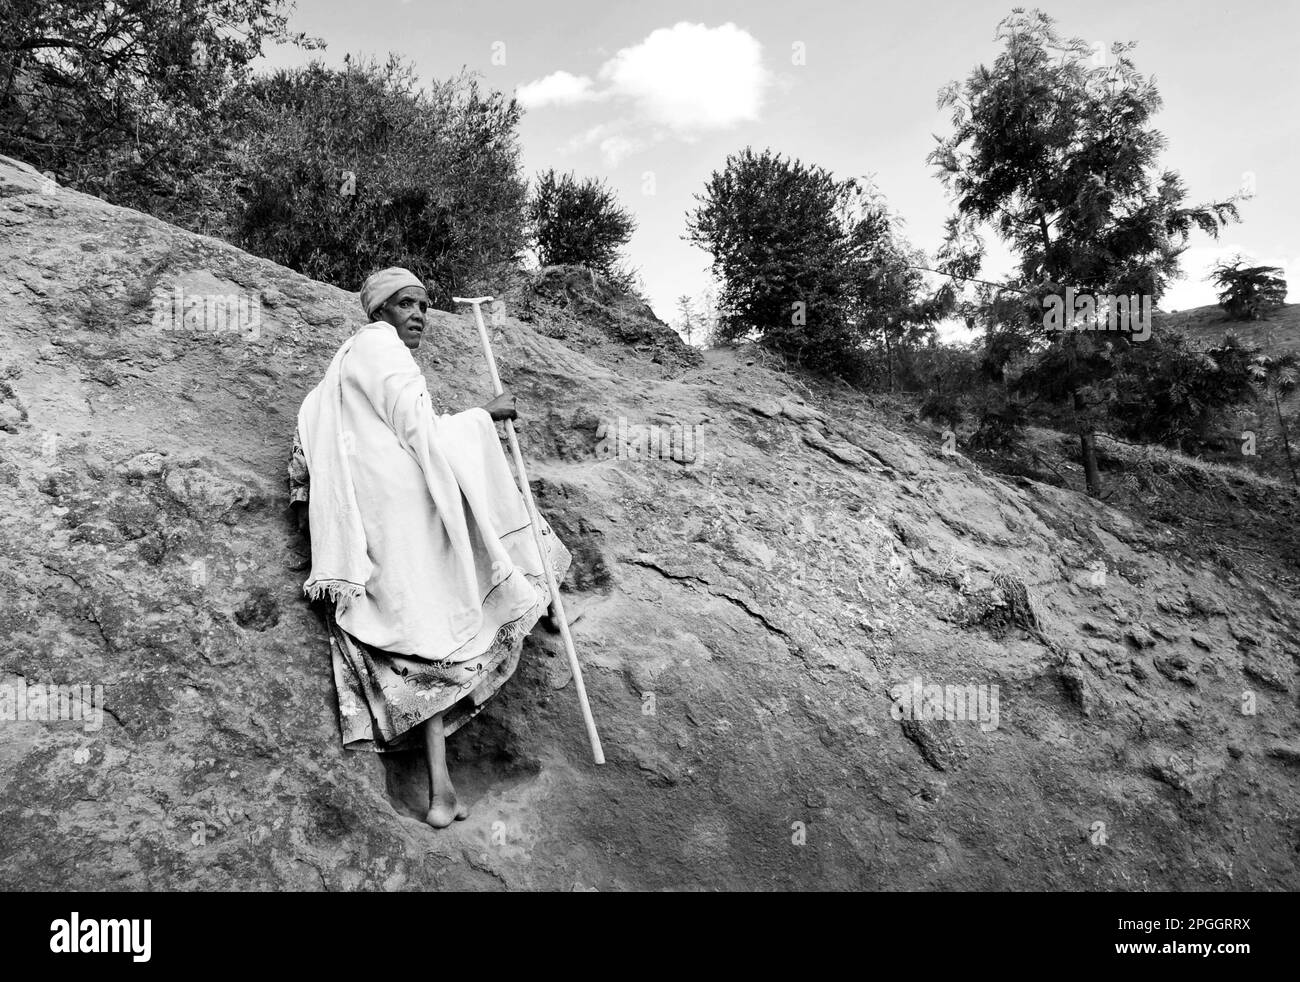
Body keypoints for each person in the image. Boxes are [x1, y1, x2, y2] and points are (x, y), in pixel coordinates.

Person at [289, 267, 571, 828]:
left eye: (423, 305)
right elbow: (421, 431)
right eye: (406, 304)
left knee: (421, 646)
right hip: (403, 523)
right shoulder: (382, 348)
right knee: (445, 615)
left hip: (374, 532)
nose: (418, 315)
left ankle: (441, 790)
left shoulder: (339, 372)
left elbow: (321, 455)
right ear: (380, 312)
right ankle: (538, 598)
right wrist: (482, 418)